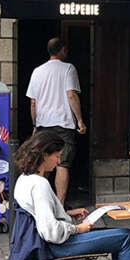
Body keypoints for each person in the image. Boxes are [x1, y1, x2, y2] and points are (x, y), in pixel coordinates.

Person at [10, 131, 130, 260]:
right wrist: (77, 228)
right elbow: (50, 231)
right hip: (55, 244)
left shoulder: (24, 179)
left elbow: (38, 215)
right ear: (45, 155)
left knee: (119, 236)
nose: (58, 161)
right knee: (126, 237)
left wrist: (67, 213)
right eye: (57, 156)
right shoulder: (40, 184)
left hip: (38, 244)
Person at [25, 38, 85, 203]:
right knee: (62, 164)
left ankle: (41, 202)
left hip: (44, 124)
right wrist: (80, 120)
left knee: (43, 163)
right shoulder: (68, 68)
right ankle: (59, 204)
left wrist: (35, 125)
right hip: (63, 123)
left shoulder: (37, 71)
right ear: (62, 50)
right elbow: (71, 94)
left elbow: (33, 102)